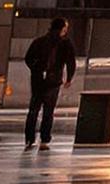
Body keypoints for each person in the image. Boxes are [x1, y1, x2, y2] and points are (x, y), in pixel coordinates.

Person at [23, 18, 79, 149]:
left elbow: (28, 58)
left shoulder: (40, 41)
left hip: (38, 79)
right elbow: (71, 62)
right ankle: (44, 139)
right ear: (62, 29)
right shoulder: (65, 43)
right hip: (53, 80)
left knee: (34, 109)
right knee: (48, 111)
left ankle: (29, 138)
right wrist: (69, 78)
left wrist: (36, 69)